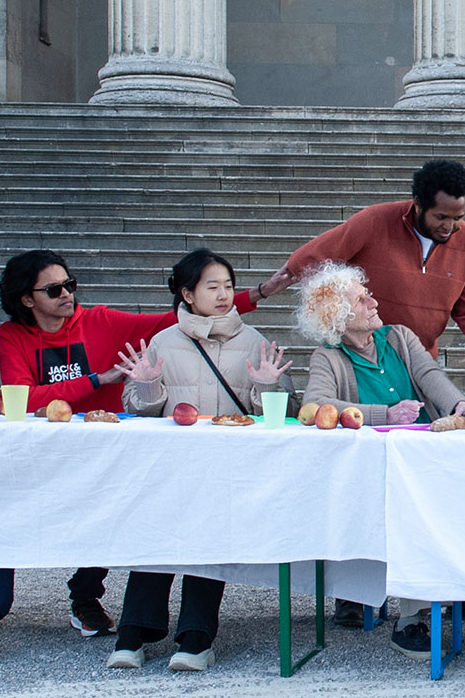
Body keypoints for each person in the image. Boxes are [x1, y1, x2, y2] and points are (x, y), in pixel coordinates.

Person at [0, 249, 289, 668]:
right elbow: (16, 398)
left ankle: (107, 604)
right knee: (14, 516)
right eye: (55, 289)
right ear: (26, 299)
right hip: (52, 451)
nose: (67, 295)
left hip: (121, 453)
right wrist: (100, 380)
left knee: (140, 524)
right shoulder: (14, 337)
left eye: (70, 285)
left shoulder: (101, 320)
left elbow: (178, 320)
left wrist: (257, 294)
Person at [290, 262, 465, 658]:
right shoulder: (327, 356)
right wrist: (384, 414)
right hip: (377, 470)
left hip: (429, 454)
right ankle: (412, 619)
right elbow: (316, 404)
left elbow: (430, 373)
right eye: (361, 299)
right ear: (338, 316)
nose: (373, 301)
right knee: (421, 514)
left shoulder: (398, 337)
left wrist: (459, 403)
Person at [101, 249, 292, 672]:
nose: (224, 295)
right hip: (171, 466)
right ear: (187, 294)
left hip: (227, 467)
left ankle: (196, 636)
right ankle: (134, 633)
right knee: (156, 541)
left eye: (228, 285)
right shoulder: (164, 341)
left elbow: (282, 414)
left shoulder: (256, 342)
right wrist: (148, 387)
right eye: (212, 286)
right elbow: (138, 408)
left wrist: (266, 389)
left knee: (210, 544)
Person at [276, 159, 465, 355]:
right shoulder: (374, 221)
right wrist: (350, 308)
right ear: (418, 204)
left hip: (420, 361)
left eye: (458, 217)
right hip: (363, 358)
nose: (449, 226)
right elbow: (304, 261)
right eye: (441, 217)